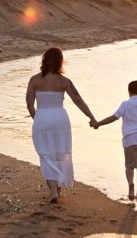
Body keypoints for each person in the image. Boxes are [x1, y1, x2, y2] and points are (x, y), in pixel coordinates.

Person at [26, 47, 97, 202]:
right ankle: (57, 189)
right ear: (60, 62)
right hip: (60, 119)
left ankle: (53, 191)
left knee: (46, 154)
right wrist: (92, 118)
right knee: (60, 153)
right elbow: (78, 100)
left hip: (42, 117)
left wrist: (37, 118)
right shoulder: (64, 81)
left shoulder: (34, 80)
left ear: (44, 60)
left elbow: (30, 104)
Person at [92, 80, 137, 204]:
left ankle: (131, 185)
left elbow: (114, 117)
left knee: (129, 166)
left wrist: (98, 124)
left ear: (129, 92)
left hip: (130, 139)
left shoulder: (125, 104)